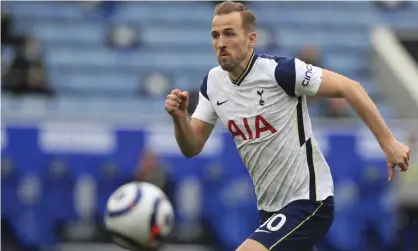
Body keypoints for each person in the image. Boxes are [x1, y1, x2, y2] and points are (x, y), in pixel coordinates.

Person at [164, 1, 411, 251]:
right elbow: (192, 147)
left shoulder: (281, 72)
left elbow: (351, 88)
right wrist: (180, 118)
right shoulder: (212, 83)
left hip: (309, 201)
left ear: (251, 40)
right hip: (269, 208)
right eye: (215, 35)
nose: (221, 43)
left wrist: (388, 142)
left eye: (229, 33)